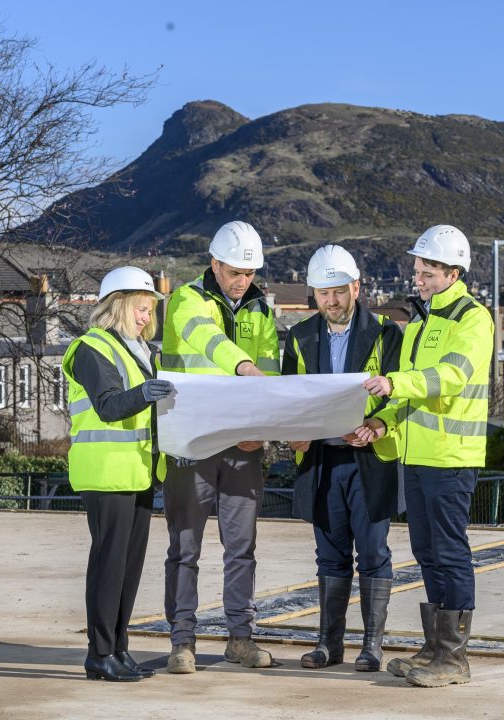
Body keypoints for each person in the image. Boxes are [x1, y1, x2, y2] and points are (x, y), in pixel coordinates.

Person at [352, 225, 493, 688]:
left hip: (451, 457)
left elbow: (450, 376)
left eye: (427, 271)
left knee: (450, 552)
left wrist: (397, 384)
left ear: (453, 273)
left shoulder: (474, 319)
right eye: (417, 270)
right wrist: (381, 422)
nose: (418, 278)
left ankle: (454, 658)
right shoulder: (419, 322)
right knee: (426, 551)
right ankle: (435, 647)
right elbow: (409, 388)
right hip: (416, 457)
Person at [159, 220, 280, 674]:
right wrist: (243, 365)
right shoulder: (187, 299)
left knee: (241, 548)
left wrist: (262, 428)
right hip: (190, 443)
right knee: (185, 548)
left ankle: (240, 639)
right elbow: (207, 340)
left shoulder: (261, 311)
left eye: (248, 273)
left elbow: (271, 377)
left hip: (242, 447)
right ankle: (182, 642)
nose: (241, 281)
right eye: (234, 271)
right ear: (214, 263)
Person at [281, 245, 403, 672]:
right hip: (321, 463)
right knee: (329, 557)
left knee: (373, 553)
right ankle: (328, 645)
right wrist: (292, 436)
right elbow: (290, 399)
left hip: (369, 461)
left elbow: (399, 396)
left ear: (356, 287)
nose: (331, 301)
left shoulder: (388, 334)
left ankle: (371, 647)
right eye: (322, 294)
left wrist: (379, 425)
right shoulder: (299, 337)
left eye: (338, 292)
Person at [62, 266, 175, 682]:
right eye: (141, 309)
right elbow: (109, 406)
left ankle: (120, 649)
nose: (148, 317)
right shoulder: (92, 348)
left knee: (129, 566)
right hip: (106, 473)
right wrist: (146, 392)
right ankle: (99, 653)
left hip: (139, 472)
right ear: (119, 306)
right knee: (109, 564)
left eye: (150, 311)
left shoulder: (143, 351)